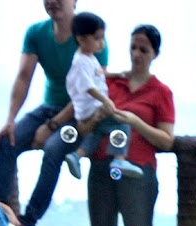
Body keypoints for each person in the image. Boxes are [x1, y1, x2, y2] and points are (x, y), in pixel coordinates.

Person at [82, 23, 173, 226]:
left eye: (143, 49)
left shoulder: (160, 93)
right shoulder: (112, 83)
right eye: (133, 47)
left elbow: (166, 140)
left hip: (139, 171)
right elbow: (86, 111)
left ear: (154, 54)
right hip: (102, 166)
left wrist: (136, 122)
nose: (136, 54)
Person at [0, 0, 106, 226]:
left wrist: (52, 125)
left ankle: (27, 223)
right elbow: (24, 77)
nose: (52, 2)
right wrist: (10, 120)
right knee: (6, 143)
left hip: (81, 114)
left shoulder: (91, 35)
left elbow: (90, 91)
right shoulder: (36, 33)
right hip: (49, 106)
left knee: (53, 150)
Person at [58, 13, 139, 182]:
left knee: (98, 133)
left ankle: (76, 156)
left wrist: (117, 74)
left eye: (102, 38)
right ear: (81, 39)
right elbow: (88, 86)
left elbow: (99, 74)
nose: (101, 43)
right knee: (122, 123)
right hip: (91, 107)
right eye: (97, 38)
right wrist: (105, 100)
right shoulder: (80, 62)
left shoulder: (89, 58)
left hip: (90, 109)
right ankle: (119, 160)